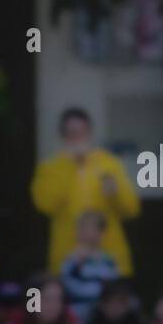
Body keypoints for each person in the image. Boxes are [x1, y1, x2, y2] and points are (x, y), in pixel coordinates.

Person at [32, 108, 140, 276]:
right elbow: (46, 206)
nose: (77, 138)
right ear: (63, 135)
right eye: (71, 133)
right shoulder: (50, 167)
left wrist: (116, 194)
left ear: (89, 133)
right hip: (68, 259)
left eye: (81, 132)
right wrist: (70, 166)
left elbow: (131, 210)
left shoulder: (110, 163)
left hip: (109, 258)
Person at [59, 210, 121, 322]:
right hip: (78, 313)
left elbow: (113, 286)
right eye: (82, 228)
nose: (86, 233)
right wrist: (77, 264)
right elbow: (68, 285)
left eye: (92, 229)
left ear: (102, 233)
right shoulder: (71, 259)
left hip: (103, 314)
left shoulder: (108, 260)